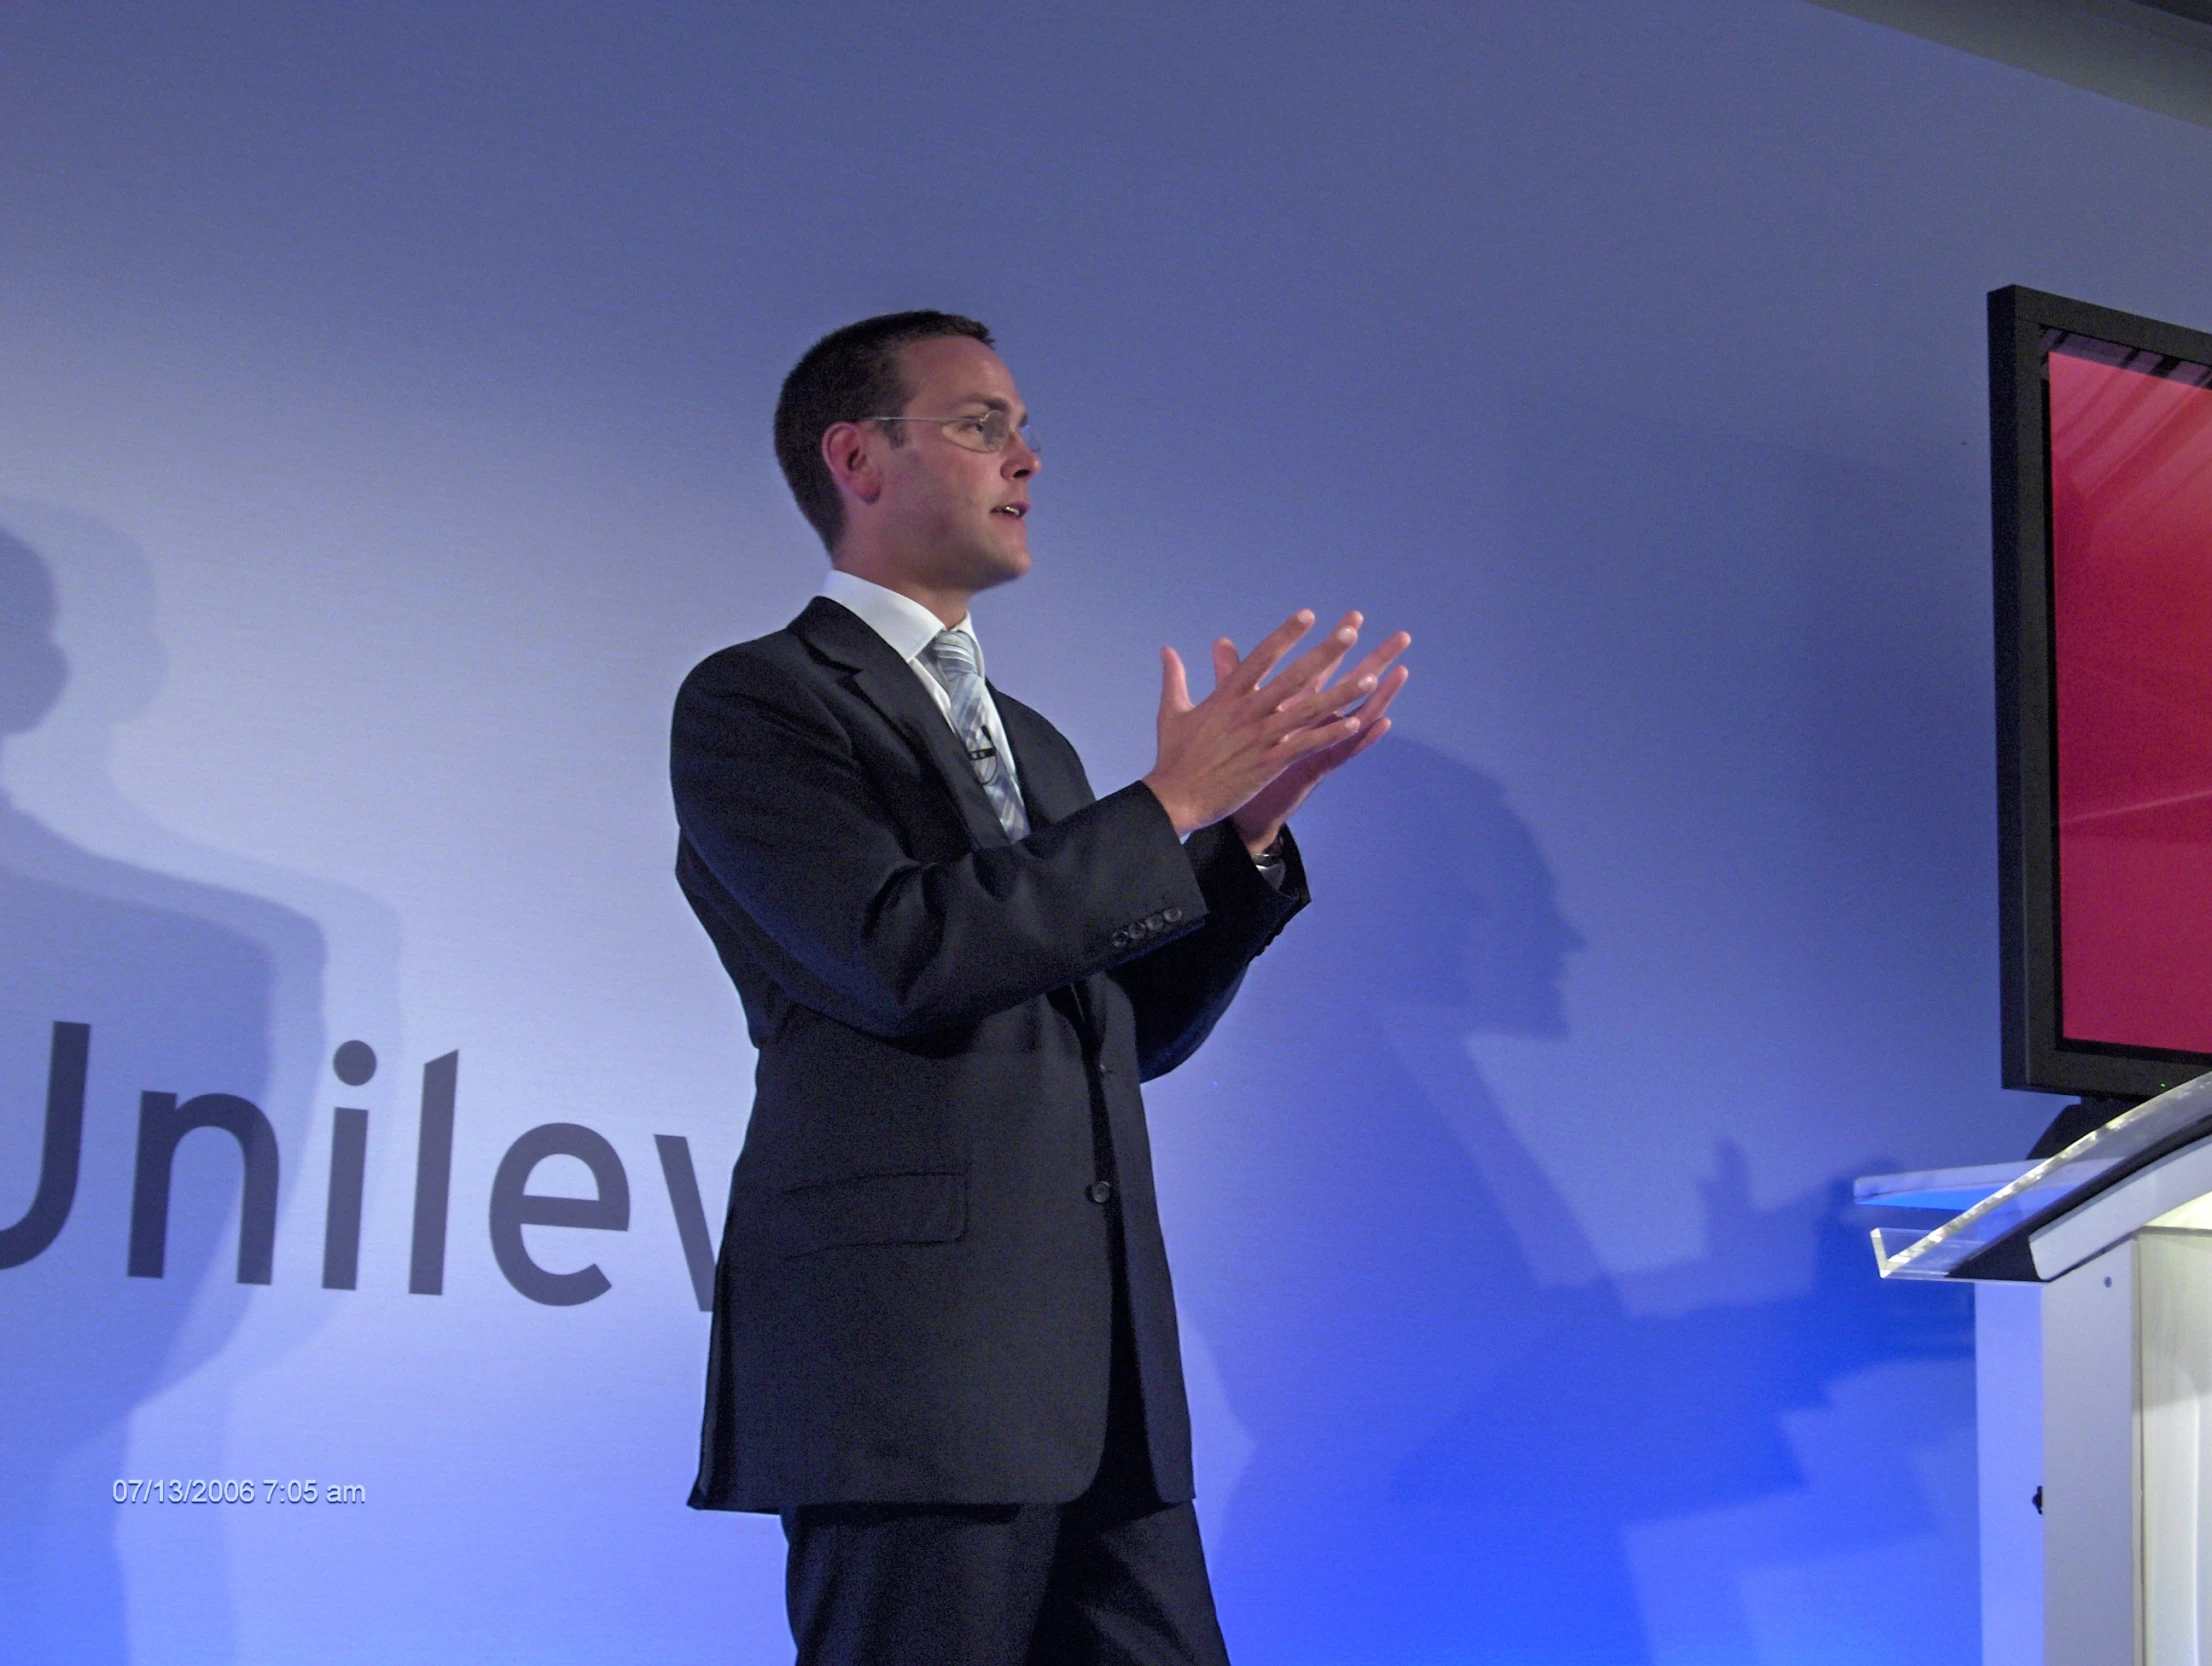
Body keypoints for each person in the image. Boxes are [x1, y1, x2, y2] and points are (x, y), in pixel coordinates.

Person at [670, 310, 1409, 1665]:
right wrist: (1170, 799)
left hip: (1100, 1387)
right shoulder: (760, 701)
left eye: (1023, 428)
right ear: (859, 456)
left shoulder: (1039, 748)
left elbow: (1121, 1033)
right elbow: (903, 953)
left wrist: (1237, 843)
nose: (1026, 458)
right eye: (979, 423)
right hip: (908, 1380)